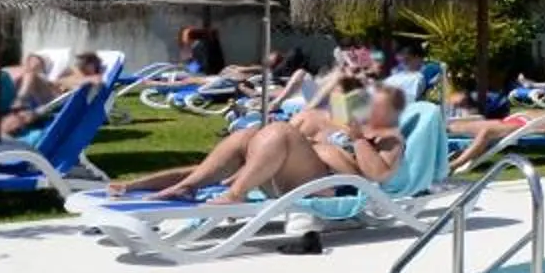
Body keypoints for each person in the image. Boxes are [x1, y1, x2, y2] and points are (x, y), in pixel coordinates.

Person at [114, 83, 405, 201]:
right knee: (246, 137)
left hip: (333, 187)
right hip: (288, 177)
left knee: (279, 132)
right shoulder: (317, 119)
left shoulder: (389, 141)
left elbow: (378, 175)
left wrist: (357, 139)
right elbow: (276, 146)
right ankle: (179, 185)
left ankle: (234, 195)